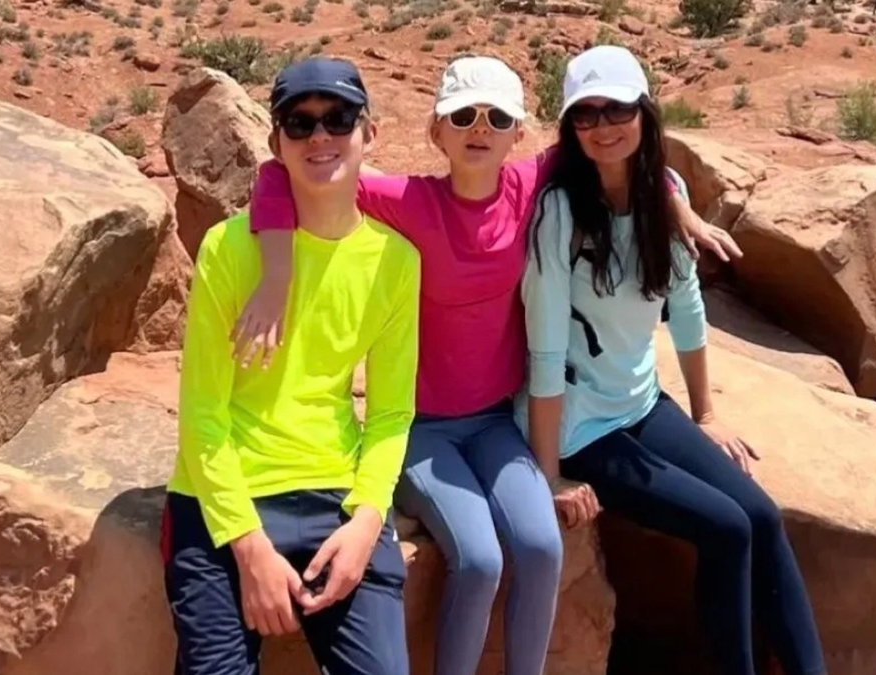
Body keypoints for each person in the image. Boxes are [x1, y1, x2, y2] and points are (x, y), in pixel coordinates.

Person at [235, 56, 741, 675]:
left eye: (497, 116)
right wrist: (277, 272)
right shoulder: (406, 199)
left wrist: (676, 204)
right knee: (479, 558)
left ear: (517, 133)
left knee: (540, 545)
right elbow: (276, 175)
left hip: (498, 421)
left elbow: (623, 151)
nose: (480, 127)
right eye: (462, 115)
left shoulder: (528, 187)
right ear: (436, 131)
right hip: (420, 427)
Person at [519, 45, 827, 675]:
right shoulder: (559, 213)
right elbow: (546, 349)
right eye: (586, 113)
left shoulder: (669, 191)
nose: (603, 126)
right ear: (570, 126)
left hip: (640, 404)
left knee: (762, 517)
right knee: (727, 528)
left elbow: (686, 308)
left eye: (618, 109)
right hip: (582, 428)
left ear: (645, 113)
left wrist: (706, 412)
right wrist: (547, 474)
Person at [161, 57, 421, 675]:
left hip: (334, 492)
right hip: (221, 501)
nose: (321, 137)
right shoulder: (229, 249)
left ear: (369, 134)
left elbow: (390, 414)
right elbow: (202, 413)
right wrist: (248, 548)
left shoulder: (395, 262)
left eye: (339, 119)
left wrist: (366, 520)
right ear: (277, 142)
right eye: (299, 124)